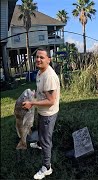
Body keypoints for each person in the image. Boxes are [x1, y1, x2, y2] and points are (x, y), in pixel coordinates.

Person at [22, 47, 60, 179]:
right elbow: (42, 91)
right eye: (37, 57)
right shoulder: (40, 73)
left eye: (42, 57)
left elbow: (51, 101)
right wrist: (34, 95)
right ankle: (39, 144)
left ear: (48, 60)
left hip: (48, 113)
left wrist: (32, 103)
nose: (38, 59)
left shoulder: (49, 76)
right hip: (42, 111)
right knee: (41, 132)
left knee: (46, 139)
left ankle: (47, 167)